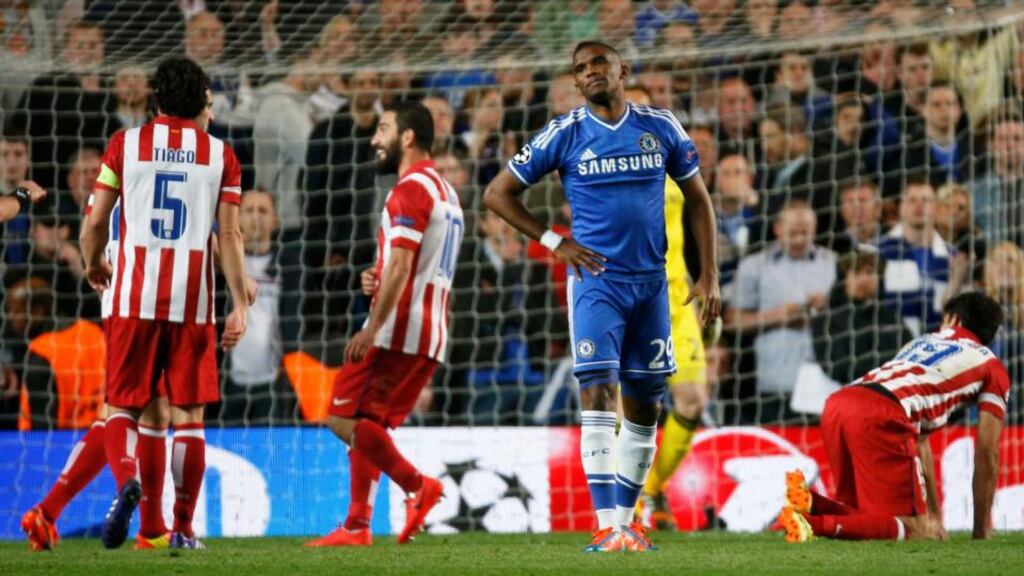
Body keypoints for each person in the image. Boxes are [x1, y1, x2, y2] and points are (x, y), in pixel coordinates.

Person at [483, 41, 720, 552]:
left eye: (599, 64)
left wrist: (711, 277)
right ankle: (606, 524)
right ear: (575, 82)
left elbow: (699, 199)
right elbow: (497, 193)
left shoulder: (661, 127)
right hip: (597, 285)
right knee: (597, 395)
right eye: (580, 69)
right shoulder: (564, 133)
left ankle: (629, 520)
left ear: (622, 71)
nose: (590, 73)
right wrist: (555, 241)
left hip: (655, 287)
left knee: (644, 409)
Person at [80, 56, 249, 550]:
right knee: (189, 417)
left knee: (122, 409)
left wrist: (94, 262)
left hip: (132, 298)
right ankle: (182, 528)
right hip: (193, 304)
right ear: (201, 101)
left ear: (155, 99)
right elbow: (232, 235)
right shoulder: (222, 156)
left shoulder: (124, 145)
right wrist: (240, 303)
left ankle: (127, 479)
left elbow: (94, 222)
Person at [305, 101, 463, 548]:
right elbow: (406, 264)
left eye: (383, 129)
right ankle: (357, 525)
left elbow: (401, 267)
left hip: (398, 327)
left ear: (407, 137)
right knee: (370, 422)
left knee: (340, 416)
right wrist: (374, 273)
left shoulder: (409, 189)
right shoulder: (446, 192)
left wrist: (372, 326)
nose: (375, 139)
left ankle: (417, 486)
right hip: (431, 328)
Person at [781, 292, 1010, 542]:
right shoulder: (992, 366)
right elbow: (987, 452)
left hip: (840, 403)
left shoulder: (919, 342)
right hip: (883, 412)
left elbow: (920, 443)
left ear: (953, 319)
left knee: (869, 517)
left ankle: (810, 501)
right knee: (914, 530)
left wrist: (933, 515)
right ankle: (809, 524)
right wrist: (980, 531)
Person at [623, 84, 709, 532]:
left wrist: (707, 277)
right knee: (634, 405)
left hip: (677, 296)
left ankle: (650, 489)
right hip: (629, 294)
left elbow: (697, 214)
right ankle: (634, 501)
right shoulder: (603, 158)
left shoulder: (671, 149)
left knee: (693, 401)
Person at [728, 202, 836, 423]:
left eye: (804, 232)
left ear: (815, 229)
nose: (798, 239)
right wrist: (778, 317)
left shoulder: (833, 264)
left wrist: (827, 309)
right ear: (777, 228)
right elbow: (732, 322)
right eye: (792, 232)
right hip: (774, 384)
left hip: (826, 383)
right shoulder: (754, 266)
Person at [811, 249, 913, 385]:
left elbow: (909, 355)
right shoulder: (826, 319)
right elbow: (837, 368)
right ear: (844, 279)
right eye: (856, 273)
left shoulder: (891, 317)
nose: (864, 278)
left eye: (870, 272)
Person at [877, 180, 954, 336]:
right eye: (912, 200)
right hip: (891, 344)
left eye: (926, 200)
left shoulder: (952, 257)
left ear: (937, 208)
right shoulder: (878, 252)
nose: (919, 205)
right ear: (901, 207)